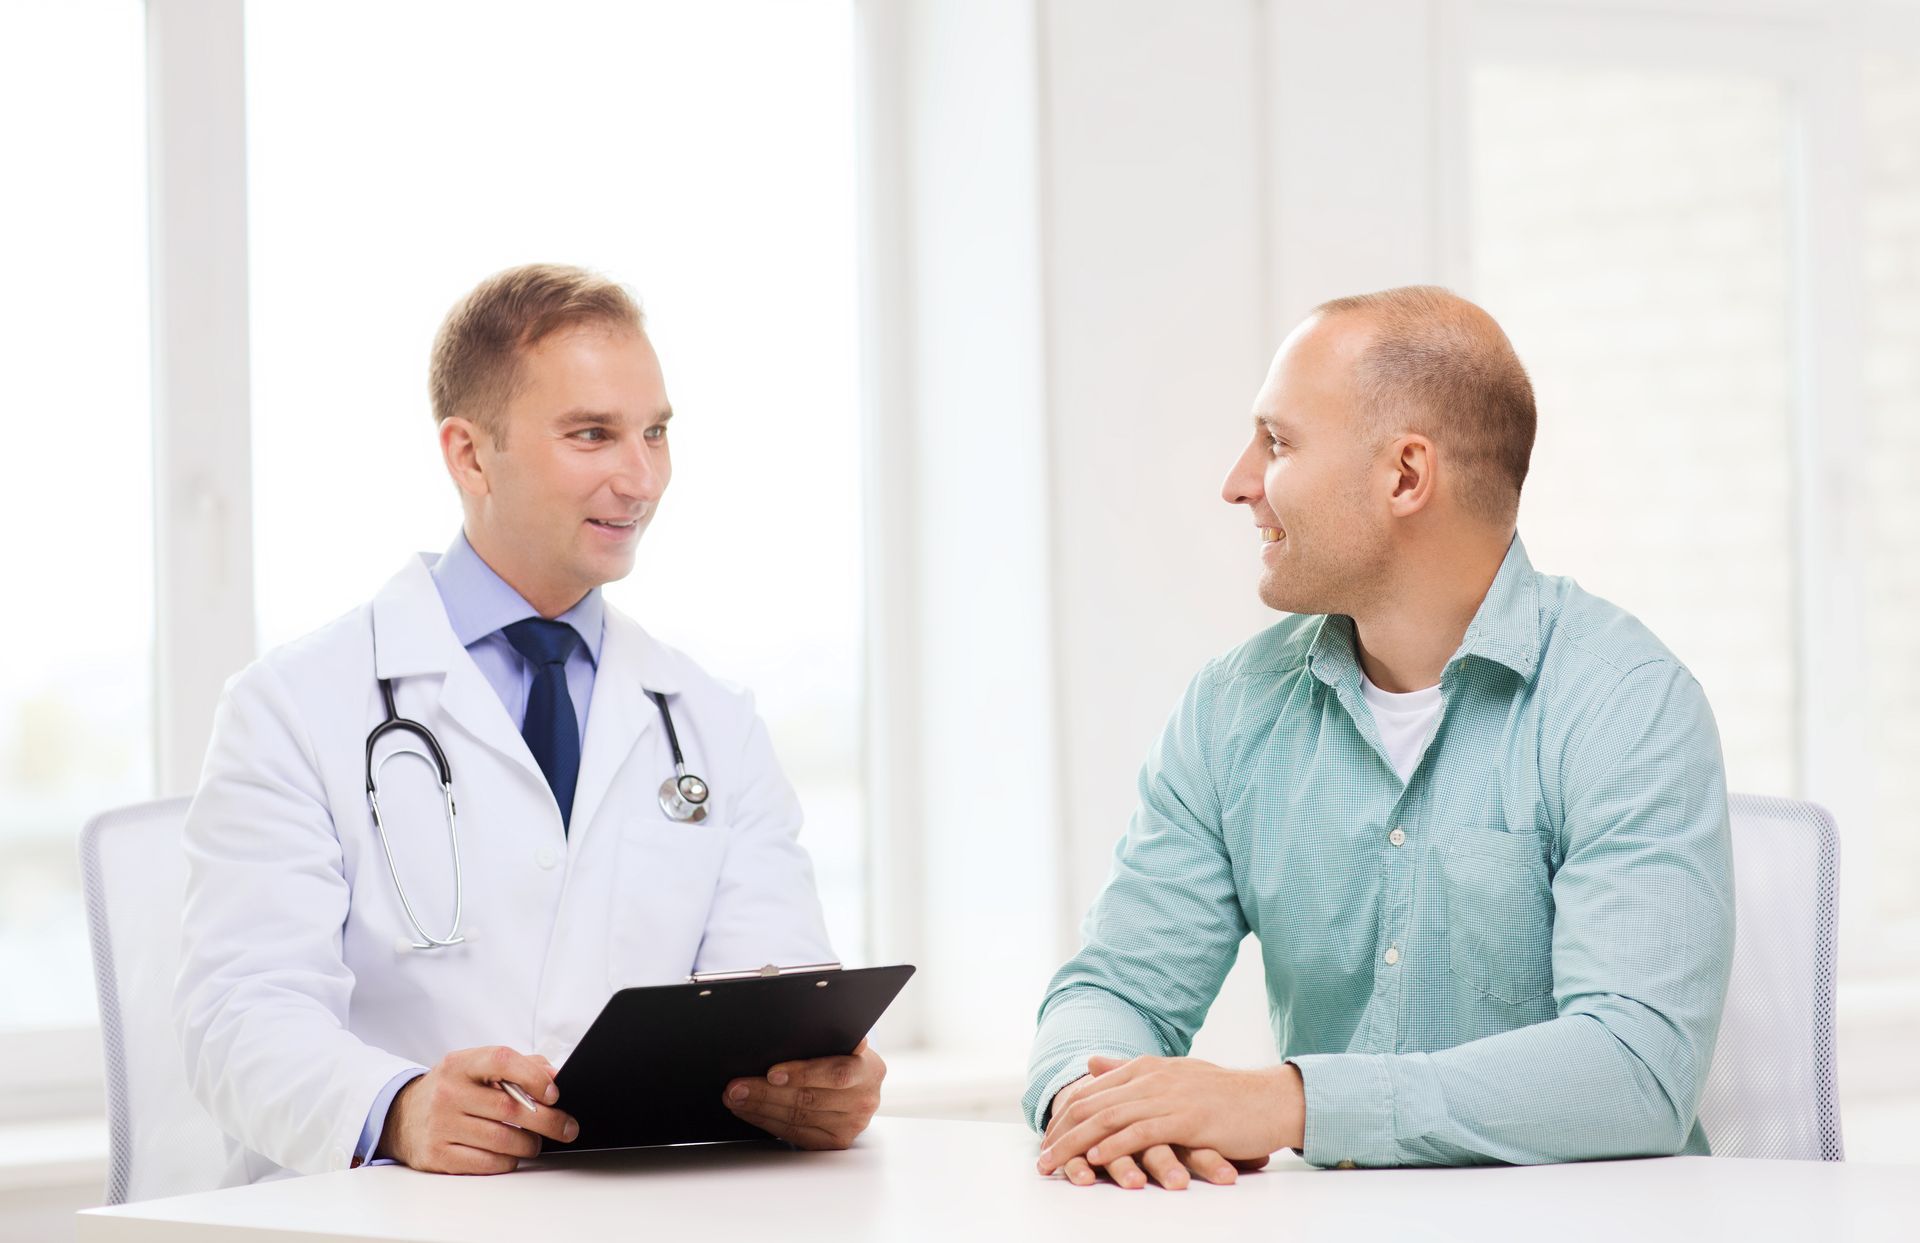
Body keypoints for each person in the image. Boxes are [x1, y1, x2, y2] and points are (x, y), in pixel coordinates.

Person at [175, 264, 884, 1182]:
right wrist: (397, 1108)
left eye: (656, 432)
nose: (642, 478)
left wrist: (812, 1083)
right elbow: (238, 1013)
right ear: (471, 454)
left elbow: (772, 985)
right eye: (593, 434)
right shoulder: (291, 706)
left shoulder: (711, 722)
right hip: (387, 1215)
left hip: (637, 1212)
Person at [1028, 286, 1735, 1187]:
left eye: (1277, 442)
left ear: (1405, 476)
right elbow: (1112, 991)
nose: (1238, 482)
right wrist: (1089, 1102)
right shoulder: (1234, 708)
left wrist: (1288, 1101)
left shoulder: (1624, 703)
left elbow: (1635, 1069)